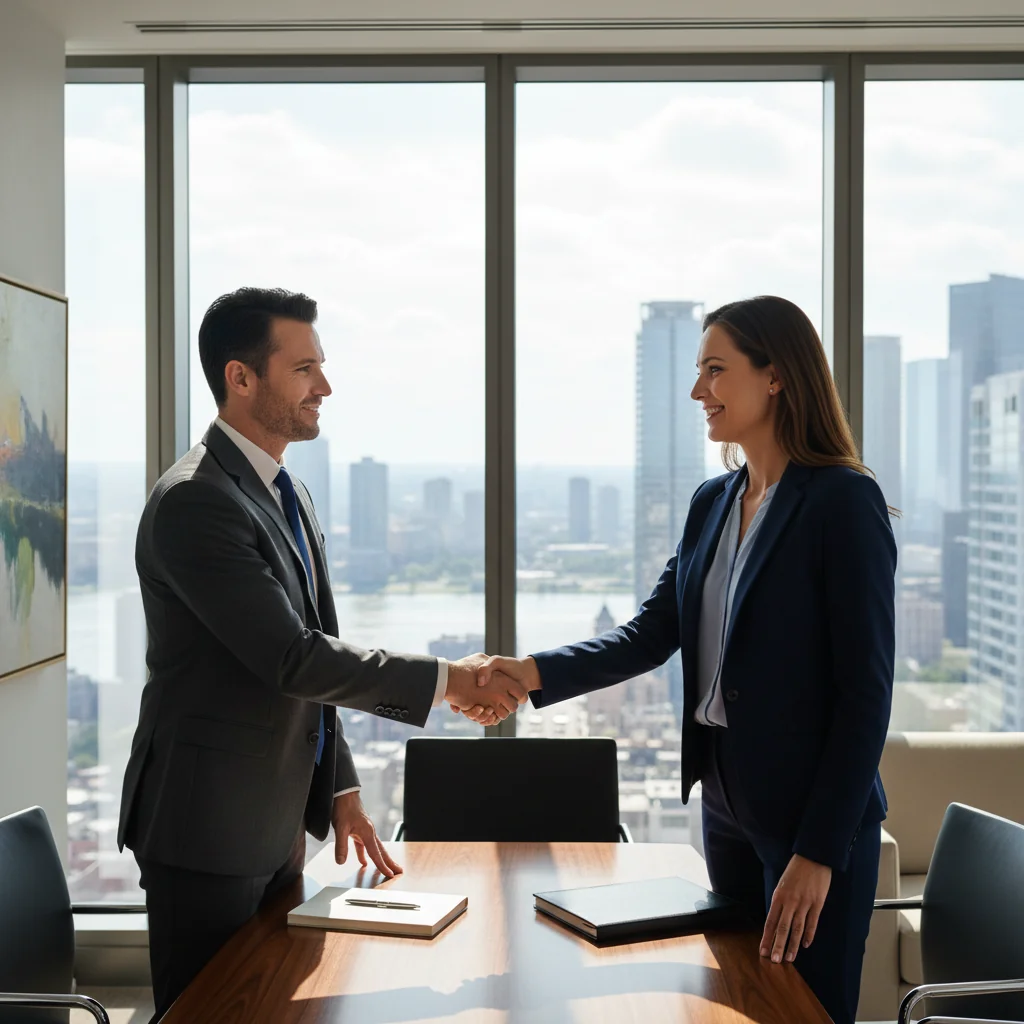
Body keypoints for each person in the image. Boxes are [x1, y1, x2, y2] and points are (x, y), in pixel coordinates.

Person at [468, 295, 896, 1024]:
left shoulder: (842, 503)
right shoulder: (714, 501)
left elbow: (866, 694)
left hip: (809, 817)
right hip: (725, 800)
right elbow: (650, 632)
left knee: (804, 1012)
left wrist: (819, 852)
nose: (699, 391)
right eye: (698, 371)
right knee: (730, 1000)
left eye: (715, 370)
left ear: (776, 377)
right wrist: (527, 672)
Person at [117, 287, 527, 1018]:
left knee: (273, 1006)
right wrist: (449, 679)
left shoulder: (287, 492)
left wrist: (337, 787)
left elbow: (310, 649)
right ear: (241, 378)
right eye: (304, 369)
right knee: (209, 1011)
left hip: (273, 821)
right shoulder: (195, 501)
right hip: (206, 827)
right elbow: (293, 658)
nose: (325, 387)